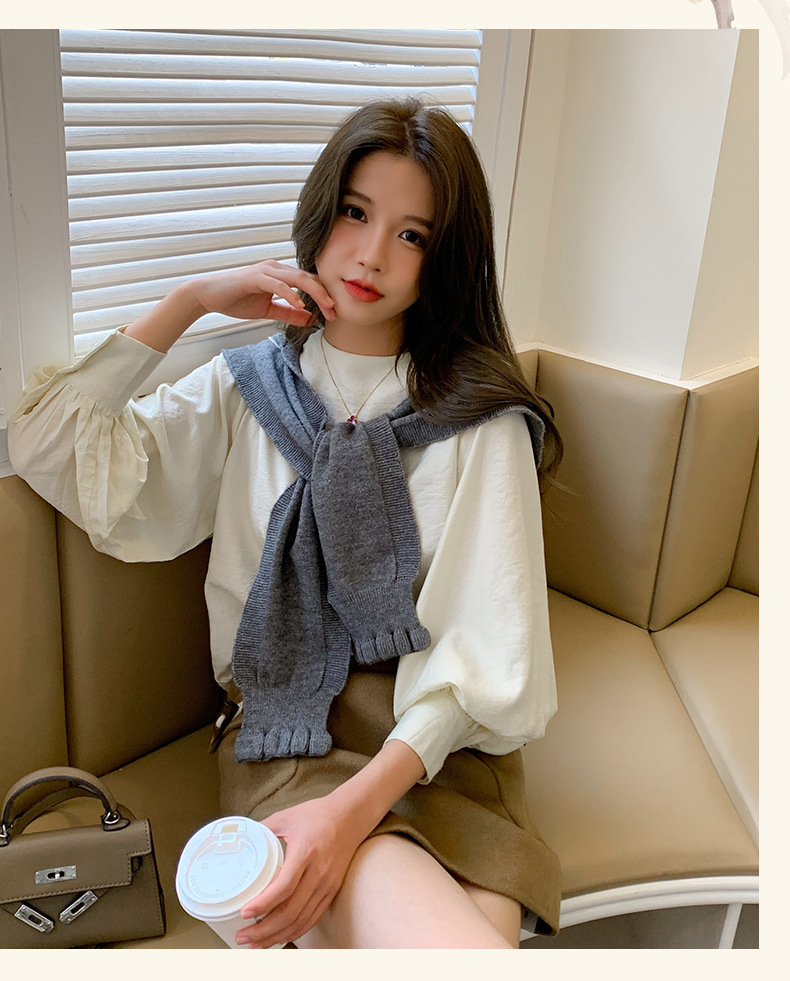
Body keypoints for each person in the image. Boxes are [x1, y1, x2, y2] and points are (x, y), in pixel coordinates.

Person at [8, 98, 563, 949]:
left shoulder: (480, 419)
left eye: (412, 234)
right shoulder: (247, 391)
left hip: (440, 748)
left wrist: (352, 815)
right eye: (356, 213)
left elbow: (484, 651)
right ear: (321, 211)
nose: (371, 255)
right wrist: (193, 299)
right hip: (286, 733)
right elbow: (50, 441)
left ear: (445, 257)